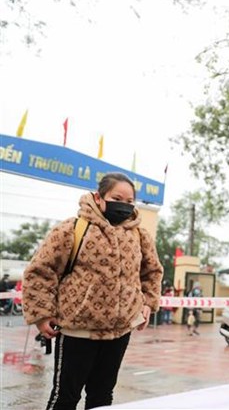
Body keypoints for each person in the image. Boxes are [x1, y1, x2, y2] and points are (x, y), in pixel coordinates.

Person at [22, 172, 164, 410]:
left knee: (102, 397)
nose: (124, 205)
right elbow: (40, 270)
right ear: (99, 197)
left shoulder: (140, 235)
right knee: (64, 398)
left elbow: (152, 272)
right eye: (117, 198)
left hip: (120, 332)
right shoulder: (72, 228)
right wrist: (42, 314)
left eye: (130, 201)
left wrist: (148, 303)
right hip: (78, 330)